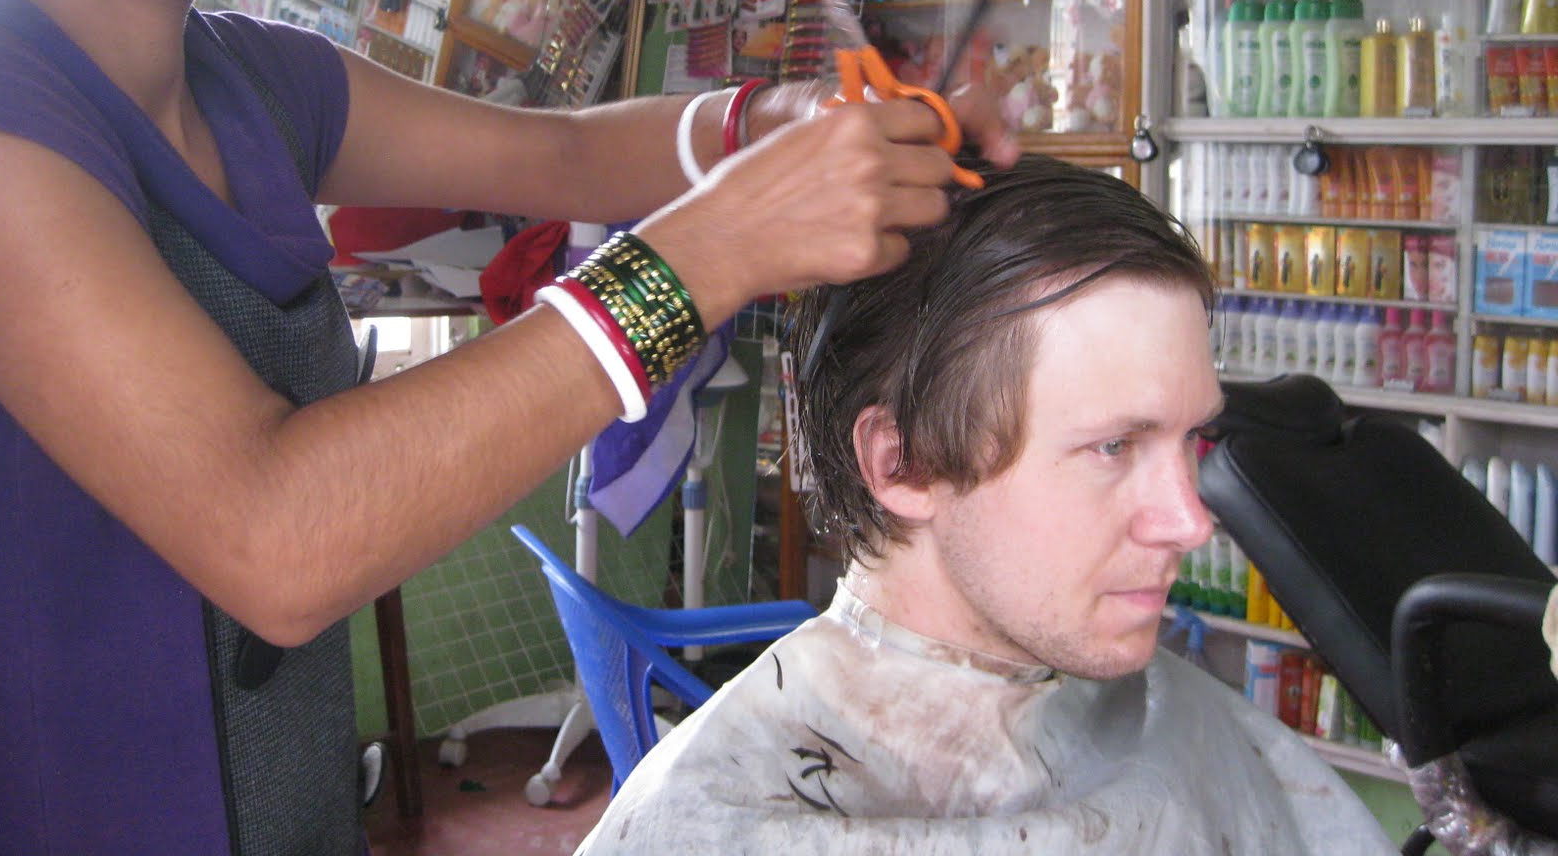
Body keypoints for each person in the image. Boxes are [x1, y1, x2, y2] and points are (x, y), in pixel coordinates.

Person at [0, 0, 1017, 852]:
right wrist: (713, 247)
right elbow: (274, 535)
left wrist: (763, 126)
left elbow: (560, 158)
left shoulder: (260, 82)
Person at [579, 157, 1397, 854]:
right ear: (904, 463)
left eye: (1191, 439)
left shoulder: (1167, 715)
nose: (1190, 520)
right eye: (1114, 447)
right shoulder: (714, 820)